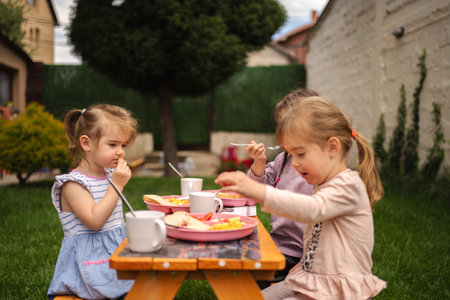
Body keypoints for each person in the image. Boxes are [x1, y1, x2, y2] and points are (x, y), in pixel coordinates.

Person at [215, 96, 386, 299]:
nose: (294, 163)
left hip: (336, 290)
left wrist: (256, 190)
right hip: (311, 279)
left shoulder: (348, 185)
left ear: (333, 147)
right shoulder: (324, 183)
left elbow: (312, 209)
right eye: (291, 155)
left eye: (301, 154)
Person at [47, 104, 137, 299]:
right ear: (86, 143)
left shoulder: (109, 176)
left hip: (114, 257)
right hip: (89, 267)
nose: (120, 152)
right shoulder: (73, 184)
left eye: (123, 145)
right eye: (112, 145)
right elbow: (95, 222)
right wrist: (117, 186)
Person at [245, 88, 318, 288]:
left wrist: (305, 265)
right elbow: (257, 192)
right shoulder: (283, 158)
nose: (282, 133)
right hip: (276, 244)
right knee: (238, 261)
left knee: (247, 278)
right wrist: (259, 163)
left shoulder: (321, 168)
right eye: (280, 127)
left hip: (302, 255)